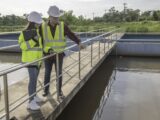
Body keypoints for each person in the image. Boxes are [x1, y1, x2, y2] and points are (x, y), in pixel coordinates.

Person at [40, 5, 85, 102]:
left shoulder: (62, 25)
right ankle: (46, 90)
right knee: (47, 72)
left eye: (57, 17)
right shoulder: (42, 26)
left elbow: (70, 34)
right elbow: (39, 39)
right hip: (47, 54)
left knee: (59, 73)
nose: (56, 19)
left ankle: (59, 91)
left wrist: (79, 42)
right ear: (49, 16)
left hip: (59, 55)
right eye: (54, 17)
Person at [18, 11, 43, 110]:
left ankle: (34, 96)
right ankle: (30, 102)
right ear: (33, 22)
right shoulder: (24, 33)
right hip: (30, 61)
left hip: (38, 60)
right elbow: (23, 47)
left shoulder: (36, 31)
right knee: (32, 81)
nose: (39, 24)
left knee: (35, 80)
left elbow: (39, 47)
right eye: (38, 22)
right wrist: (33, 40)